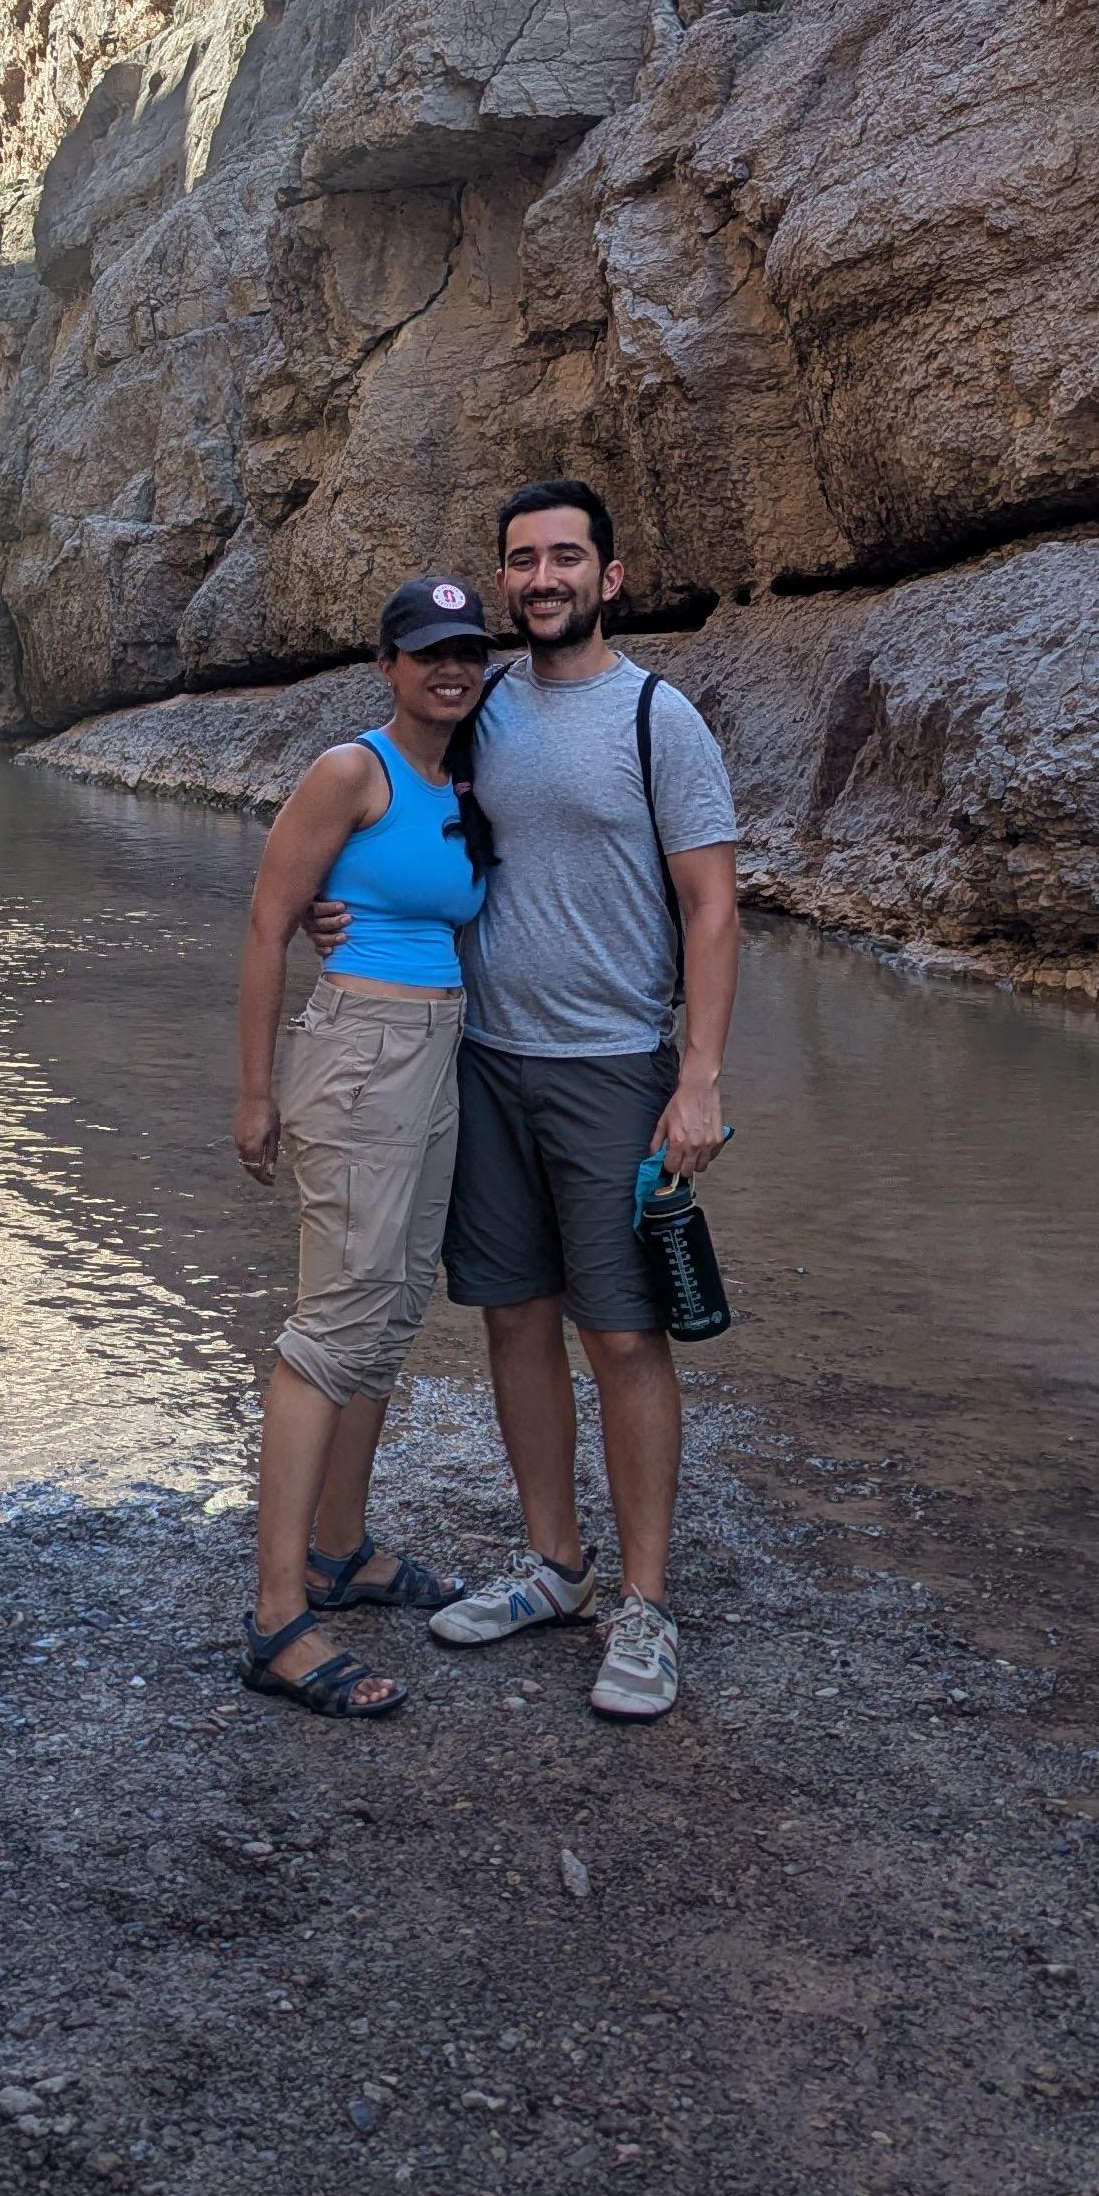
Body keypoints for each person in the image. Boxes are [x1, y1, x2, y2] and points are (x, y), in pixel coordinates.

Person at [416, 477, 740, 1722]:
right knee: (513, 1319)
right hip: (487, 1059)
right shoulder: (481, 707)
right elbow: (404, 829)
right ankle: (557, 1565)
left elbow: (712, 905)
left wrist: (698, 1076)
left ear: (610, 578)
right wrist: (338, 909)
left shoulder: (661, 719)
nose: (541, 579)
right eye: (521, 561)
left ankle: (646, 1607)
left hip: (615, 1067)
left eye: (565, 559)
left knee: (622, 1336)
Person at [224, 575, 503, 1716]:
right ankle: (277, 1619)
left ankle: (342, 1550)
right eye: (428, 651)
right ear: (387, 665)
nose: (449, 668)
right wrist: (254, 1093)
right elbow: (267, 923)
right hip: (357, 1046)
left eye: (466, 651)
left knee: (390, 1304)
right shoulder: (354, 770)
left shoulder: (466, 779)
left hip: (436, 1050)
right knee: (332, 1319)